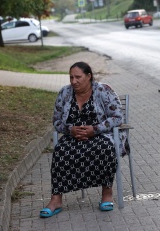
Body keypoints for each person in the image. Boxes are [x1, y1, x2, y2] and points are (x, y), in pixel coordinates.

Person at [39, 62, 126, 218]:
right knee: (60, 150)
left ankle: (107, 193)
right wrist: (70, 130)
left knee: (105, 147)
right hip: (74, 136)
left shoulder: (103, 90)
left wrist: (95, 129)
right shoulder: (64, 93)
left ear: (89, 76)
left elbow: (118, 117)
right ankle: (56, 199)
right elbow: (56, 121)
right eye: (71, 77)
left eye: (78, 77)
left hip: (100, 135)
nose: (74, 81)